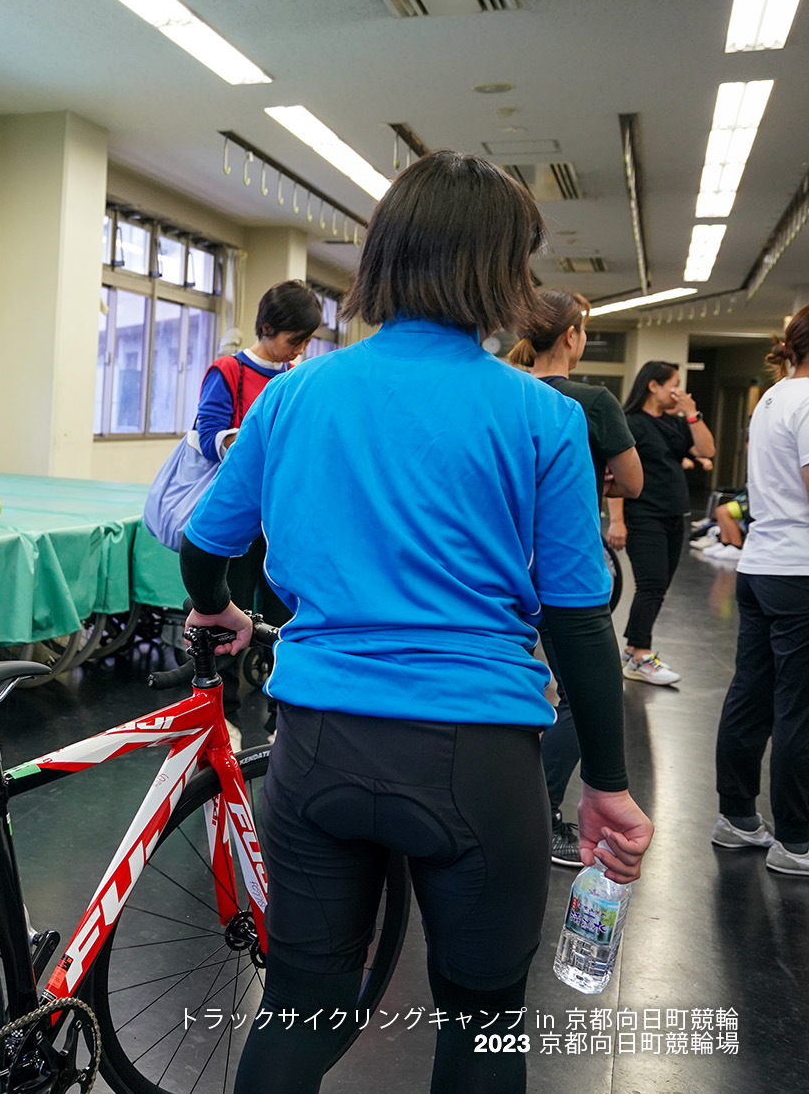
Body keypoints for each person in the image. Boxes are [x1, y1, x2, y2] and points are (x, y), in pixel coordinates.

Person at [181, 150, 653, 1094]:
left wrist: (217, 611)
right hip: (476, 758)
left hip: (314, 745)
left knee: (301, 1001)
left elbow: (204, 543)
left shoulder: (294, 394)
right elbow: (578, 620)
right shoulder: (541, 416)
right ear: (504, 271)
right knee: (482, 1022)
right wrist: (607, 783)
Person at [509, 289, 643, 868]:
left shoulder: (504, 392)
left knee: (512, 685)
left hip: (503, 566)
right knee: (578, 694)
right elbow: (633, 483)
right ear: (572, 336)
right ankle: (538, 808)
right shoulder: (590, 401)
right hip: (566, 568)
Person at [714, 304, 809, 876]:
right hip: (798, 572)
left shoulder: (774, 398)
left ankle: (738, 817)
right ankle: (797, 842)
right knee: (799, 705)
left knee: (753, 692)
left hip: (762, 565)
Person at [190, 279, 321, 633]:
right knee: (234, 605)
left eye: (306, 342)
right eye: (295, 340)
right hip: (240, 512)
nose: (300, 350)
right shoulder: (228, 371)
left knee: (284, 613)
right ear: (267, 328)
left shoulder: (296, 380)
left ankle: (270, 684)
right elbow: (209, 438)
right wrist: (261, 445)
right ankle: (226, 687)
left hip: (280, 516)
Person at [609, 360, 716, 684]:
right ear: (653, 385)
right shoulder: (630, 423)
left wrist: (692, 413)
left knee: (659, 590)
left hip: (675, 516)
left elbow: (707, 449)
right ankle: (640, 654)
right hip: (644, 516)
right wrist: (617, 520)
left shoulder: (676, 423)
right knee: (651, 586)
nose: (678, 390)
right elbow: (615, 474)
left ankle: (633, 650)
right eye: (674, 382)